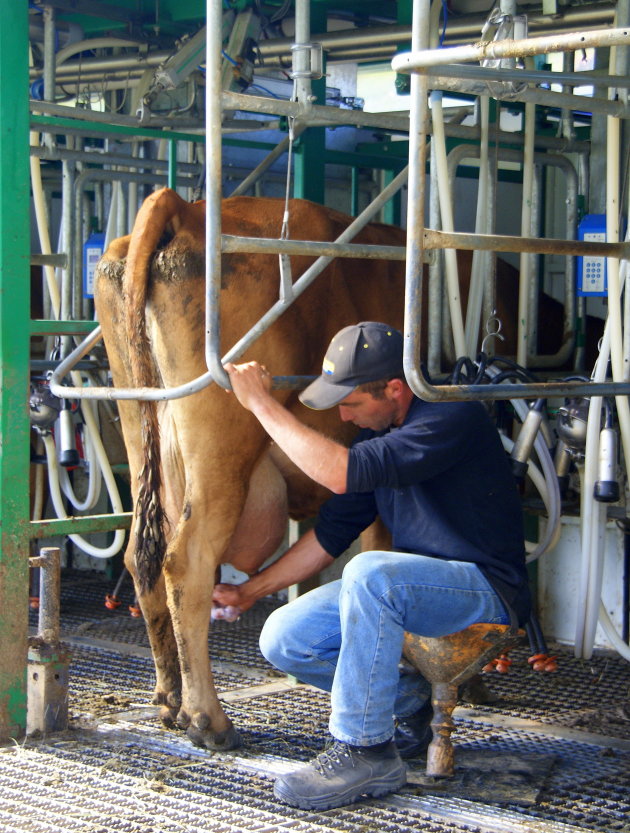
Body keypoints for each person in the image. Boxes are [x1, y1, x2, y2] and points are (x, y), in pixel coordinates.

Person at [218, 321, 531, 812]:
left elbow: (342, 475)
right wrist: (250, 592)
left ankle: (364, 751)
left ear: (394, 389)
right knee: (284, 635)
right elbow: (327, 538)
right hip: (410, 587)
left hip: (481, 587)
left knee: (371, 574)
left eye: (352, 404)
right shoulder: (378, 440)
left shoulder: (450, 418)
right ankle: (409, 708)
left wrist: (260, 404)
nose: (343, 415)